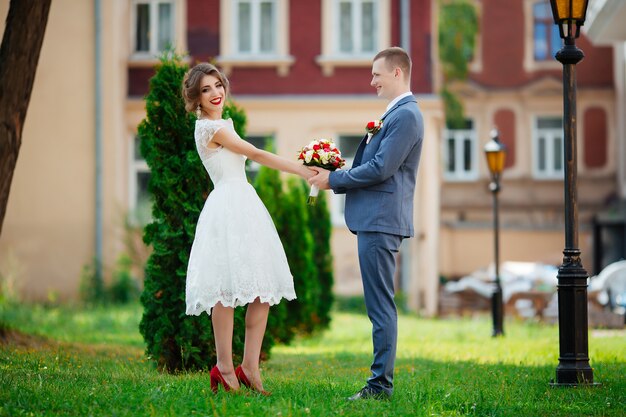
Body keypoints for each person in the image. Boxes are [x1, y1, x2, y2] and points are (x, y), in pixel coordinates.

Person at [182, 63, 313, 395]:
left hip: (245, 205)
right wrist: (302, 170)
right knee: (224, 293)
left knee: (261, 289)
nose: (215, 93)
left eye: (218, 85)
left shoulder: (224, 123)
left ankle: (250, 367)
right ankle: (224, 368)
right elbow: (254, 153)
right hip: (227, 208)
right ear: (196, 99)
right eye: (206, 90)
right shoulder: (209, 129)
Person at [309, 47, 424, 400]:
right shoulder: (396, 113)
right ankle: (379, 383)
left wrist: (335, 180)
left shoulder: (406, 116)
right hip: (375, 220)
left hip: (381, 221)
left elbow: (381, 169)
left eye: (376, 74)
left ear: (397, 74)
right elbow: (376, 162)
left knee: (380, 307)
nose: (371, 80)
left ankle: (379, 386)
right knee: (379, 305)